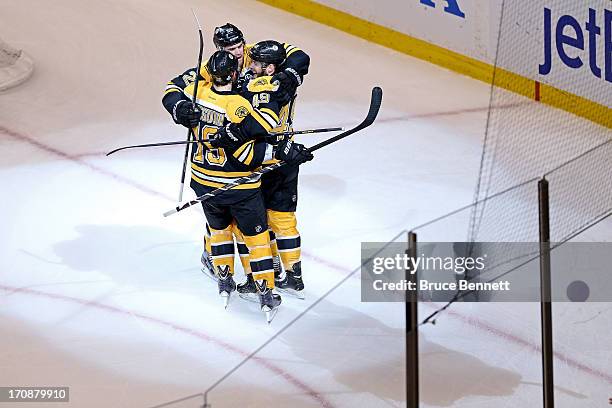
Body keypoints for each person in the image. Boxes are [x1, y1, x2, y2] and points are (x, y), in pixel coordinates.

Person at [162, 50, 310, 320]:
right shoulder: (239, 105)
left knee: (218, 230)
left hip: (203, 182)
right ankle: (265, 290)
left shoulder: (199, 95)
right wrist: (285, 153)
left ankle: (224, 280)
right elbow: (247, 153)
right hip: (237, 186)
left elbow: (171, 89)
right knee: (258, 237)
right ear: (233, 74)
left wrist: (179, 108)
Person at [212, 40, 311, 299]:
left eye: (256, 63)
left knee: (254, 224)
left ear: (268, 68)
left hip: (263, 159)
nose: (250, 65)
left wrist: (229, 134)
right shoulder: (284, 81)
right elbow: (299, 56)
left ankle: (261, 277)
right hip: (287, 157)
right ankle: (293, 276)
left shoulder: (256, 85)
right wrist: (291, 73)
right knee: (284, 220)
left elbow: (249, 115)